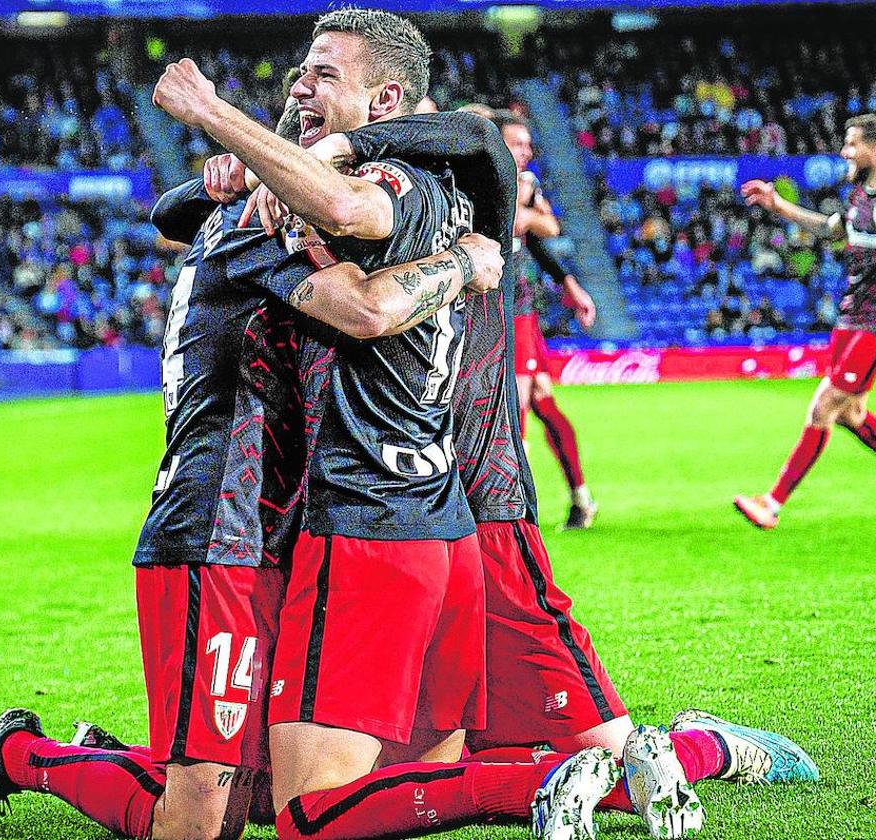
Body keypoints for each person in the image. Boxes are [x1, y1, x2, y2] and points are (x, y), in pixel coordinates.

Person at [0, 95, 509, 840]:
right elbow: (367, 308)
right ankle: (21, 755)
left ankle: (125, 760)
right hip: (213, 531)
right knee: (197, 826)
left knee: (265, 784)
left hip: (279, 528)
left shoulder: (265, 214)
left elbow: (180, 208)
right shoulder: (249, 230)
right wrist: (463, 259)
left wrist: (222, 177)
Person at [153, 12, 627, 839]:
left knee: (305, 807)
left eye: (323, 74)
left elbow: (370, 282)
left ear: (389, 103)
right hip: (436, 511)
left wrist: (225, 120)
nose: (302, 86)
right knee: (410, 772)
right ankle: (621, 767)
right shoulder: (372, 190)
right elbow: (177, 207)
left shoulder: (419, 180)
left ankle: (673, 758)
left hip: (414, 511)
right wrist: (246, 170)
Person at [347, 109, 819, 840]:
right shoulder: (386, 212)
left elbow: (490, 175)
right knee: (411, 754)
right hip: (393, 516)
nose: (520, 155)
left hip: (481, 496)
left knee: (610, 755)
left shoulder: (475, 196)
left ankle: (710, 746)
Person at [733, 113, 876, 529]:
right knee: (850, 413)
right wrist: (779, 205)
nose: (844, 151)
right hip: (853, 315)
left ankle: (772, 503)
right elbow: (833, 230)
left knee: (824, 404)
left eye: (851, 144)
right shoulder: (859, 193)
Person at [497, 112, 600, 530]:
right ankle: (580, 497)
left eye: (527, 144)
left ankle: (514, 511)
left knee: (516, 403)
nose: (525, 151)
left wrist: (568, 284)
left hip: (517, 306)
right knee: (538, 398)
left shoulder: (526, 185)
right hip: (492, 303)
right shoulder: (481, 181)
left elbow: (547, 229)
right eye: (516, 143)